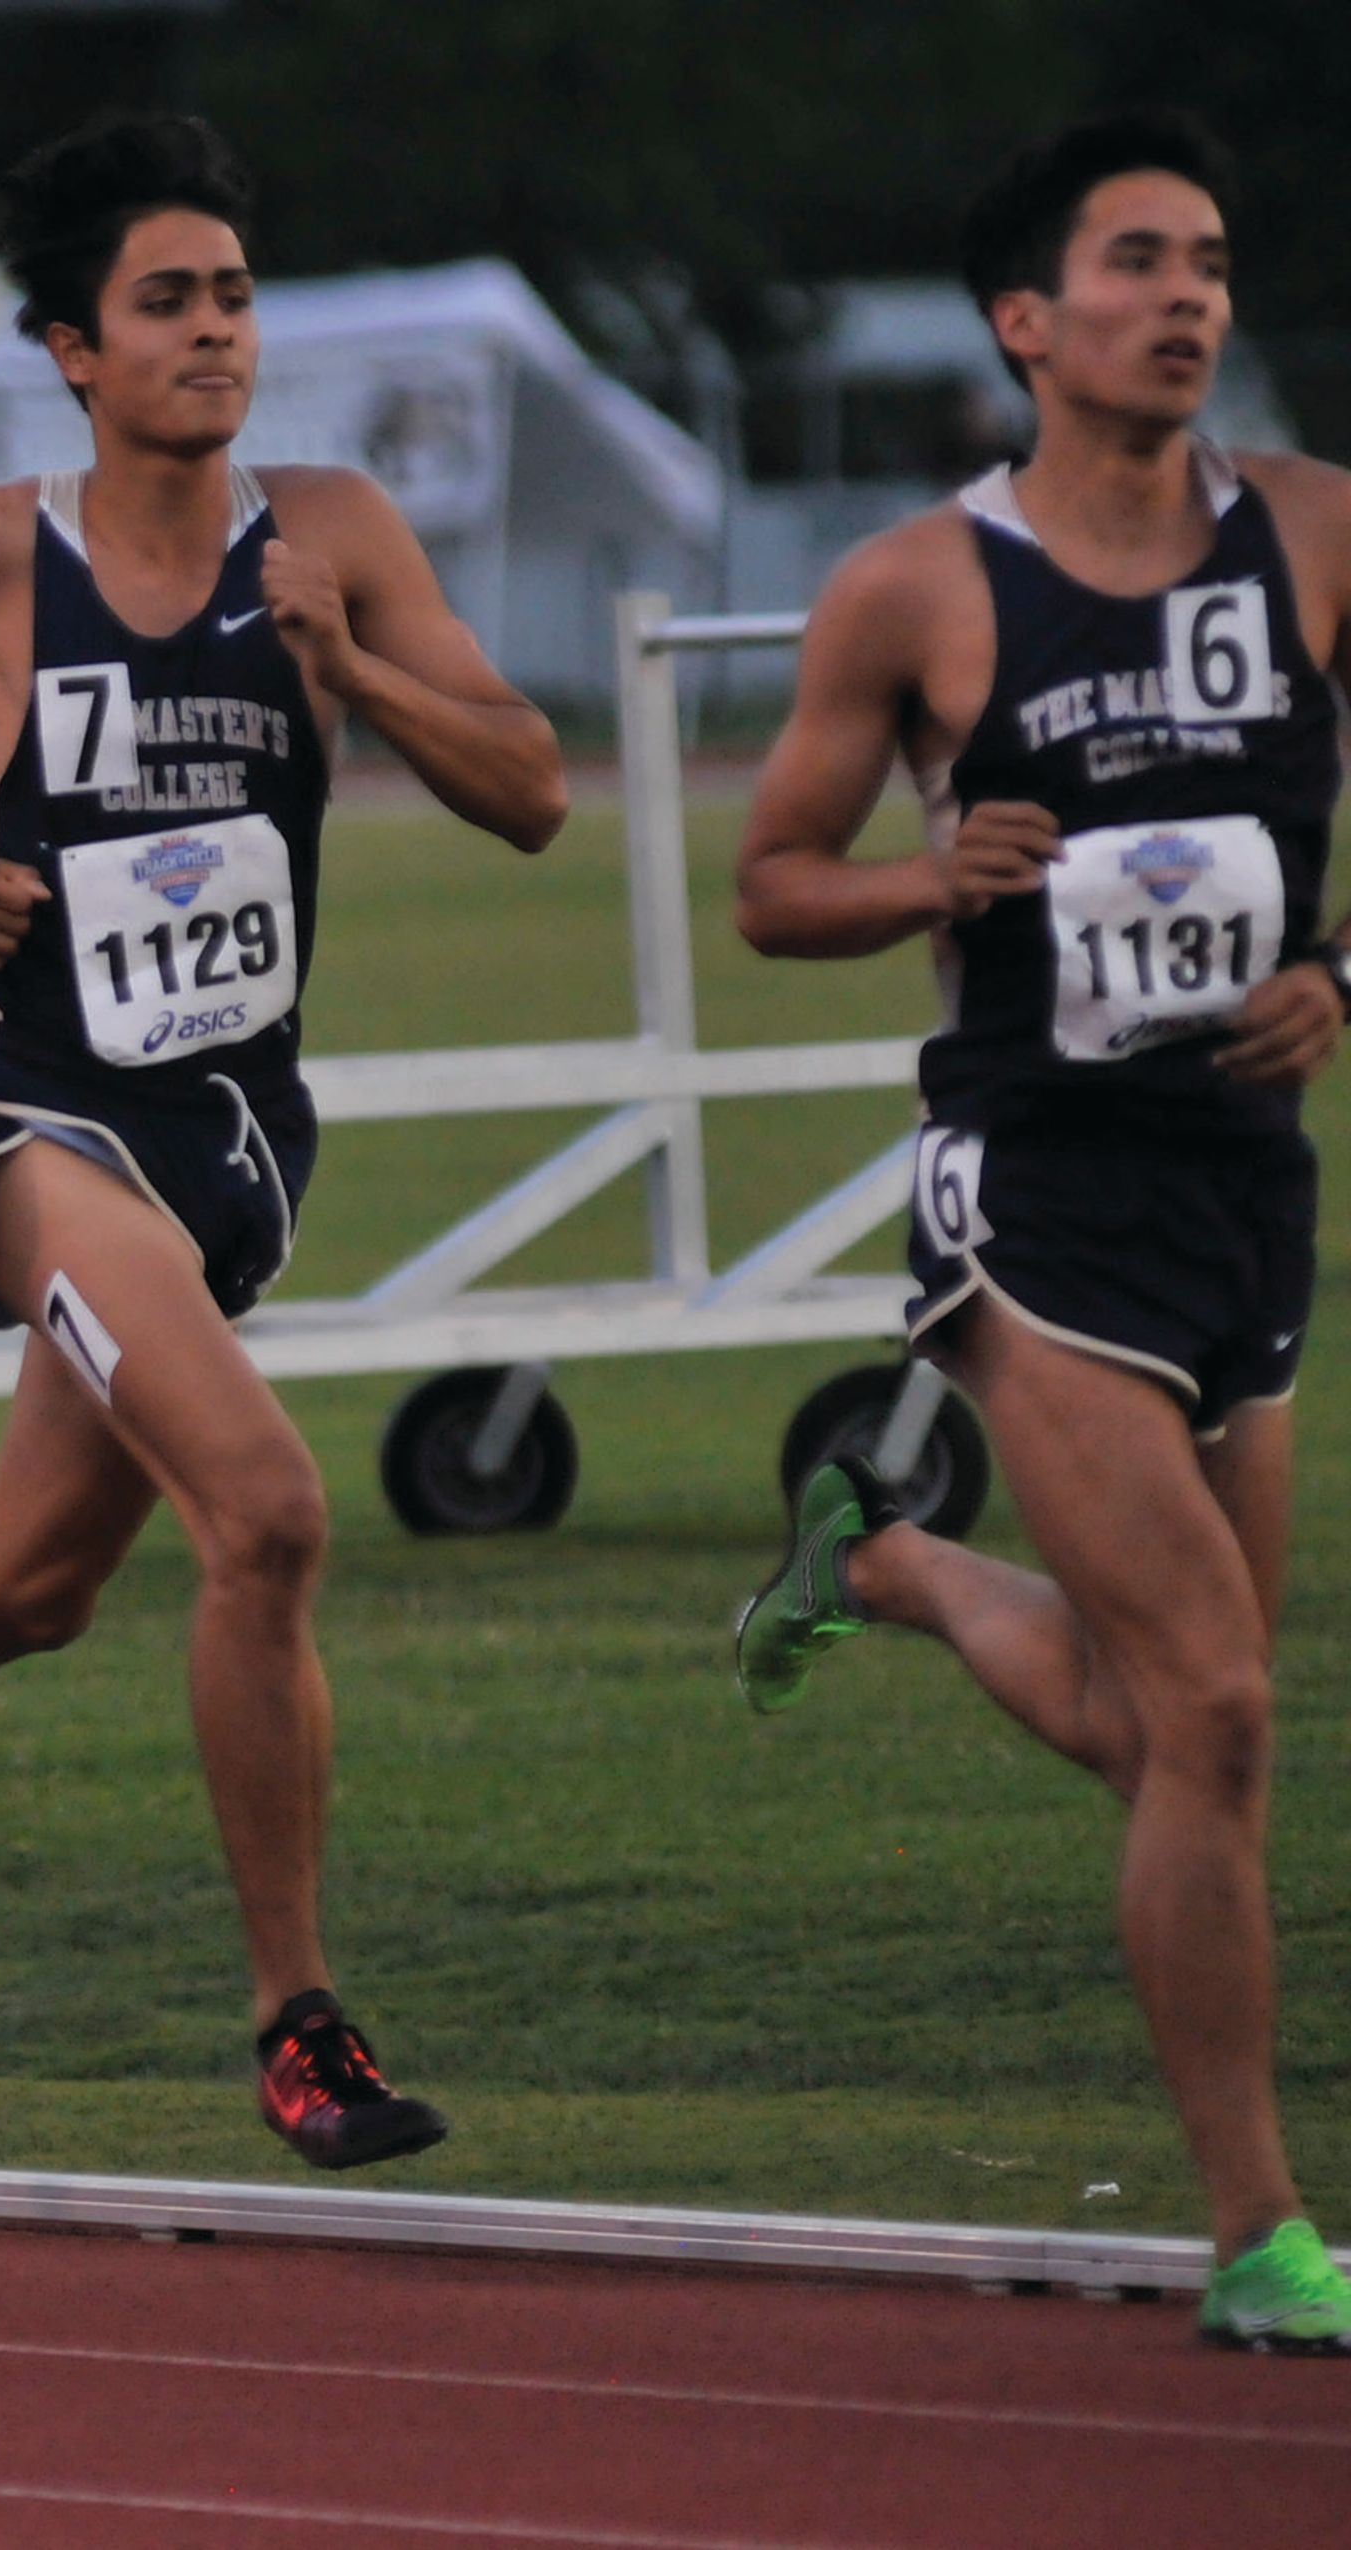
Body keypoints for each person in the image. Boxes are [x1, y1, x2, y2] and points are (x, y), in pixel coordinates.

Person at [0, 111, 564, 2169]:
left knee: (34, 1586)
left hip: (236, 1141)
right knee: (263, 1511)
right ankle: (300, 2025)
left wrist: (366, 682)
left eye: (237, 297)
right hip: (42, 1121)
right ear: (74, 349)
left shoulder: (331, 536)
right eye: (167, 303)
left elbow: (528, 787)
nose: (214, 334)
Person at [731, 108, 1351, 2353]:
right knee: (1221, 1704)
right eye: (1137, 263)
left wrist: (1342, 978)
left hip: (1243, 1196)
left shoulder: (1314, 536)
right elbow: (774, 885)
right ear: (1028, 322)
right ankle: (1265, 2239)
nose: (1189, 297)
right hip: (1036, 1196)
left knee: (1145, 1716)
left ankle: (880, 1558)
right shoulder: (920, 586)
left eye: (1209, 263)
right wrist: (929, 879)